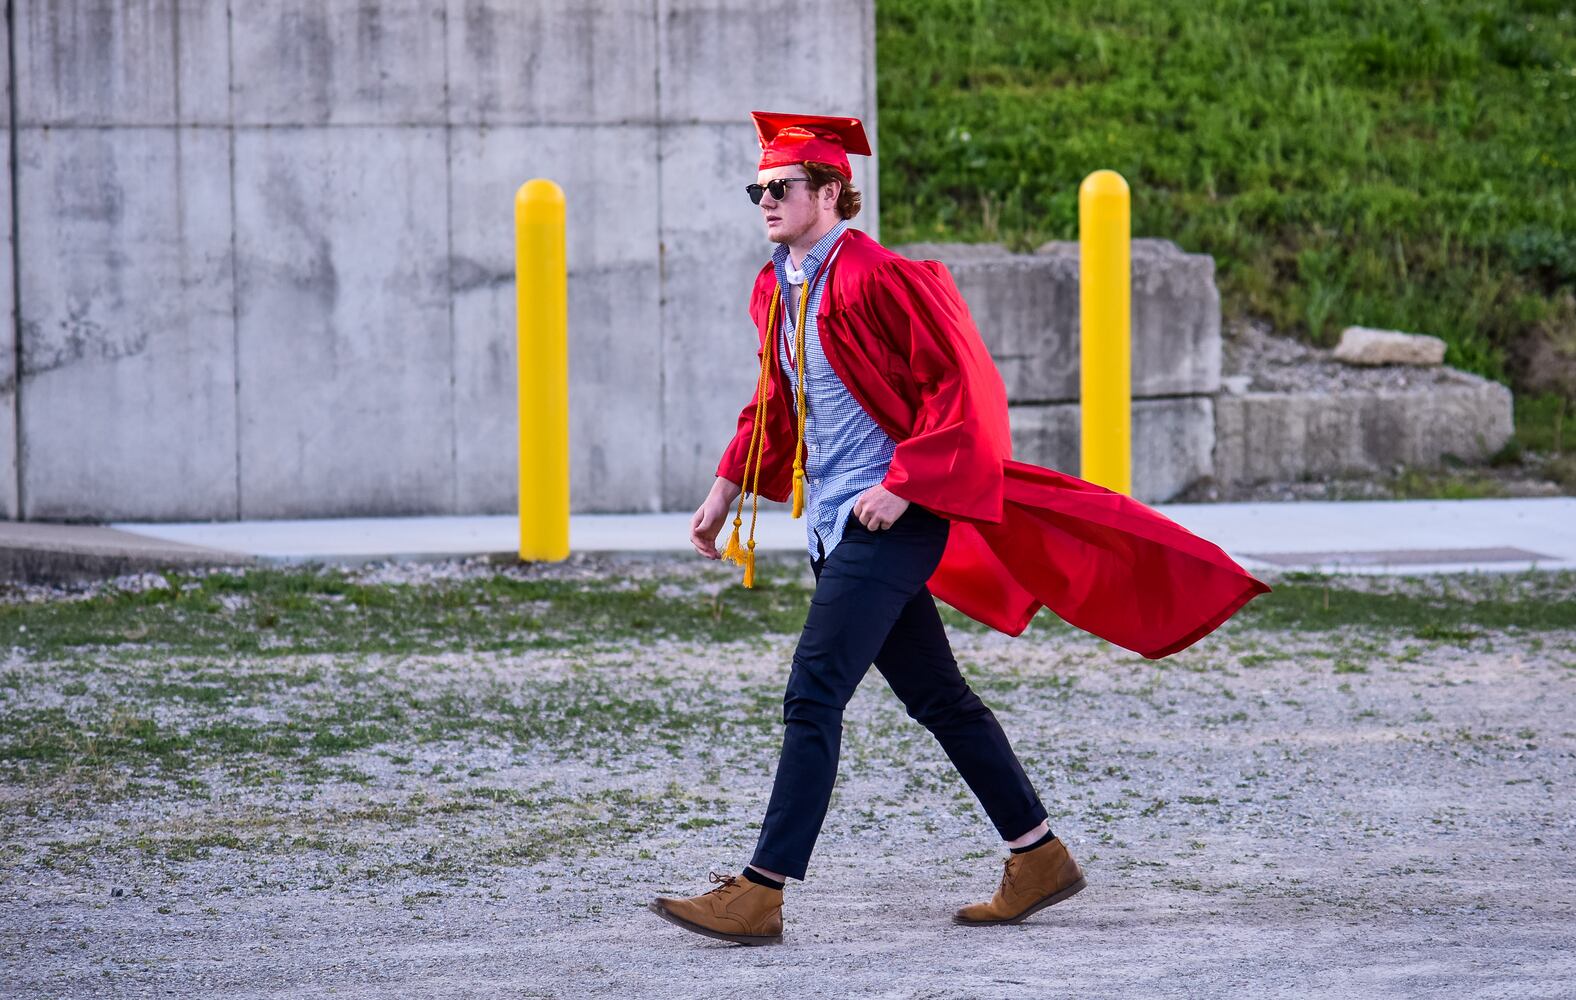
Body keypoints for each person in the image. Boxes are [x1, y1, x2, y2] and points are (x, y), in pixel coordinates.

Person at [648, 111, 1269, 946]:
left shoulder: (875, 277)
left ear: (830, 194)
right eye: (757, 187)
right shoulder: (777, 283)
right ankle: (1039, 855)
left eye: (780, 187)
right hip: (837, 523)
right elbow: (776, 403)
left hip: (894, 518)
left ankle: (761, 891)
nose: (764, 199)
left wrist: (906, 485)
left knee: (814, 691)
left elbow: (961, 387)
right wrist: (726, 492)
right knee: (939, 697)